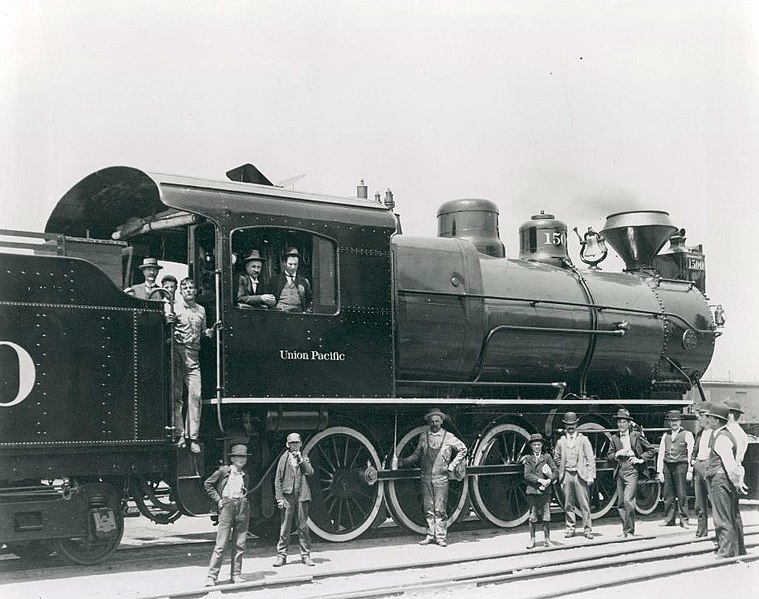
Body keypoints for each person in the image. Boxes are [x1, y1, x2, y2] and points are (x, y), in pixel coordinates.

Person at [398, 408, 467, 547]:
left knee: (440, 508)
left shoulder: (448, 436)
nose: (434, 423)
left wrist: (452, 466)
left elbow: (463, 449)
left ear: (441, 421)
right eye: (432, 421)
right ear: (429, 422)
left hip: (441, 477)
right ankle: (430, 535)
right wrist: (404, 461)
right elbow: (417, 454)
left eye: (437, 421)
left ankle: (441, 536)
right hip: (426, 477)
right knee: (428, 508)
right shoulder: (424, 436)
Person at [172, 278, 215, 453]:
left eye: (191, 288)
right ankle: (179, 435)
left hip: (193, 355)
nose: (189, 290)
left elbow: (203, 331)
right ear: (181, 292)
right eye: (185, 288)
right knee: (177, 395)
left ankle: (193, 437)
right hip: (177, 353)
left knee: (195, 395)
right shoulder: (175, 309)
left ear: (195, 291)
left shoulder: (202, 310)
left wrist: (209, 332)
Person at [204, 444, 251, 586]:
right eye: (238, 456)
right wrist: (218, 500)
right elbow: (208, 484)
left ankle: (236, 575)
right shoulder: (224, 471)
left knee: (240, 544)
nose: (241, 460)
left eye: (243, 457)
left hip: (242, 506)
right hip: (227, 507)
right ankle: (212, 577)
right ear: (233, 458)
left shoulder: (245, 475)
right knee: (221, 544)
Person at [705, 404, 747, 558]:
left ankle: (725, 552)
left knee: (722, 517)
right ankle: (738, 549)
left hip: (720, 479)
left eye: (709, 417)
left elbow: (730, 464)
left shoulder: (721, 438)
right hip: (725, 479)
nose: (706, 418)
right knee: (733, 515)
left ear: (716, 420)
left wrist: (736, 482)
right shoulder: (725, 434)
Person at [606, 408, 656, 537]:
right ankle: (625, 530)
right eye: (619, 422)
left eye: (623, 422)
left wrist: (639, 460)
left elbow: (651, 450)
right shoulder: (614, 438)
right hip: (619, 471)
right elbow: (609, 456)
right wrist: (617, 453)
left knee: (629, 501)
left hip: (632, 470)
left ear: (629, 423)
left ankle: (630, 530)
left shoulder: (636, 436)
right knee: (621, 503)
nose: (621, 425)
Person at [274, 432, 315, 567]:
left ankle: (305, 555)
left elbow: (310, 472)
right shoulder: (283, 458)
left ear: (301, 444)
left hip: (302, 495)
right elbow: (277, 480)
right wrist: (279, 498)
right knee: (285, 527)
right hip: (288, 496)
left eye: (297, 443)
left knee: (303, 527)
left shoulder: (304, 457)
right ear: (287, 445)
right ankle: (281, 555)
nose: (295, 445)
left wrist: (301, 460)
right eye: (292, 443)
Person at [553, 411, 595, 539]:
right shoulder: (561, 441)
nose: (570, 427)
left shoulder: (584, 440)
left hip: (580, 475)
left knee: (584, 503)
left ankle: (587, 529)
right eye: (568, 425)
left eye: (572, 424)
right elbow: (557, 457)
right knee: (568, 504)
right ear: (565, 426)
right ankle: (570, 528)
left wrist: (590, 475)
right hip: (567, 475)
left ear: (576, 424)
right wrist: (562, 468)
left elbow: (590, 459)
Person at [656, 410, 695, 528]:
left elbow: (691, 452)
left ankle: (684, 520)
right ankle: (669, 519)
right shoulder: (665, 435)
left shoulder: (687, 434)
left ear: (680, 421)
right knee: (668, 494)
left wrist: (690, 469)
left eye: (676, 421)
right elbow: (661, 453)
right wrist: (660, 470)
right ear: (669, 423)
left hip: (681, 465)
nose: (674, 423)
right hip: (668, 465)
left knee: (682, 493)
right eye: (672, 421)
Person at [522, 433, 558, 548]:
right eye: (534, 445)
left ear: (542, 445)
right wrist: (540, 480)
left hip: (545, 491)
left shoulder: (547, 457)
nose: (537, 447)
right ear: (531, 446)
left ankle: (547, 539)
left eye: (539, 444)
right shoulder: (528, 459)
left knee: (546, 516)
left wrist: (549, 480)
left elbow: (556, 471)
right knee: (533, 516)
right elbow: (527, 475)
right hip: (532, 491)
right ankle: (532, 539)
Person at [691, 403, 713, 538]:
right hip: (698, 466)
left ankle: (721, 532)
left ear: (708, 417)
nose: (699, 418)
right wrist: (693, 461)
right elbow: (695, 449)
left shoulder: (715, 433)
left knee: (713, 500)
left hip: (708, 467)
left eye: (701, 416)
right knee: (699, 503)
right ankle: (701, 532)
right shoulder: (700, 433)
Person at [272, 248, 312, 313]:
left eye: (295, 264)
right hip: (279, 316)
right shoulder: (275, 280)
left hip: (299, 316)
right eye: (290, 264)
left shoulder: (304, 281)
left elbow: (309, 300)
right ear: (284, 263)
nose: (293, 267)